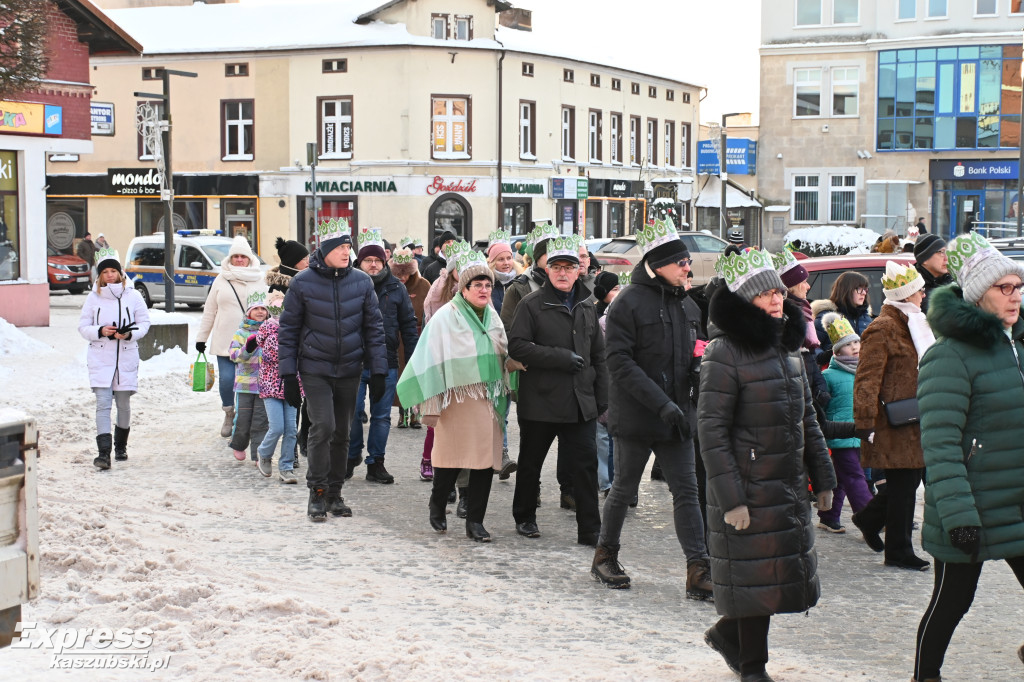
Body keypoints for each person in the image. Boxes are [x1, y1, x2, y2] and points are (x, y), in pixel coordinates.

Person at [698, 248, 836, 682]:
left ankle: (727, 635)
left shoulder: (789, 348)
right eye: (764, 295)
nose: (776, 300)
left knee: (769, 575)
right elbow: (712, 431)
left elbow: (806, 417)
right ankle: (754, 668)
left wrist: (824, 475)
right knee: (755, 577)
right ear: (744, 301)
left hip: (785, 483)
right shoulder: (724, 352)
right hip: (748, 484)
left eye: (778, 291)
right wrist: (731, 499)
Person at [913, 233, 1024, 682]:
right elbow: (939, 444)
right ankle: (925, 676)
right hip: (970, 506)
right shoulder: (948, 356)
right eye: (1005, 288)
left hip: (1015, 499)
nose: (1015, 296)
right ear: (979, 294)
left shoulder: (1012, 347)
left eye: (1019, 287)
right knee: (952, 602)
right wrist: (960, 515)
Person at [593, 219, 713, 596]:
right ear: (659, 263)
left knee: (687, 491)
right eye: (681, 263)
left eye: (687, 263)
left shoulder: (687, 303)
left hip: (678, 414)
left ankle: (699, 569)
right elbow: (620, 362)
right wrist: (661, 404)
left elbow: (695, 350)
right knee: (624, 487)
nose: (687, 268)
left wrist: (698, 372)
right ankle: (604, 556)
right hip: (638, 415)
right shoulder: (628, 301)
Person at [397, 246, 512, 542]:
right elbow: (428, 357)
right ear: (464, 288)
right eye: (478, 285)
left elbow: (501, 350)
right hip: (454, 400)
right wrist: (430, 402)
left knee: (485, 460)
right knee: (451, 459)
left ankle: (476, 521)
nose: (484, 290)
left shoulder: (493, 317)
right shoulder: (446, 317)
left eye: (488, 285)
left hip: (486, 398)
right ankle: (437, 502)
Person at [278, 218, 388, 522]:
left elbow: (374, 329)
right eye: (340, 246)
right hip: (315, 367)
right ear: (325, 249)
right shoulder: (302, 283)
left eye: (347, 246)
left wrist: (378, 370)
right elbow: (288, 330)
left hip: (350, 368)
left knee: (343, 433)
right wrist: (288, 373)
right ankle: (318, 492)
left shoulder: (361, 281)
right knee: (323, 426)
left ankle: (336, 493)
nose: (346, 251)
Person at [508, 233, 608, 546]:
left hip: (580, 402)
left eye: (569, 266)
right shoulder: (532, 304)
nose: (562, 272)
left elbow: (599, 356)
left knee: (585, 466)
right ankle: (524, 516)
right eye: (556, 267)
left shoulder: (588, 304)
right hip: (541, 400)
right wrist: (559, 357)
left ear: (580, 269)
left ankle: (590, 528)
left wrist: (603, 398)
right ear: (547, 270)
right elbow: (518, 346)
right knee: (530, 463)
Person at [851, 262, 934, 570]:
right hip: (893, 421)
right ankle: (898, 551)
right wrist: (865, 421)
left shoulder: (914, 322)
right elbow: (867, 378)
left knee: (909, 481)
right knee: (903, 485)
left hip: (915, 417)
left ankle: (868, 519)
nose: (924, 295)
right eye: (919, 290)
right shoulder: (883, 328)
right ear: (906, 294)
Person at [346, 228, 418, 484]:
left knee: (381, 415)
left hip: (386, 361)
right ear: (360, 262)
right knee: (351, 413)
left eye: (377, 260)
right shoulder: (348, 284)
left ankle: (376, 462)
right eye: (368, 260)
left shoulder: (396, 288)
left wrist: (412, 361)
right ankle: (351, 454)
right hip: (353, 361)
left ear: (384, 261)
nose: (373, 265)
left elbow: (409, 325)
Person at [77, 248, 151, 470]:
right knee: (102, 404)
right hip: (100, 356)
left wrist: (129, 334)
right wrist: (101, 330)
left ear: (120, 273)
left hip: (126, 357)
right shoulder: (93, 298)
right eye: (105, 272)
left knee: (123, 404)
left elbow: (144, 323)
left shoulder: (134, 296)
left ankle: (121, 446)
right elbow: (83, 327)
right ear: (99, 276)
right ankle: (103, 453)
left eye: (113, 271)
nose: (110, 275)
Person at [195, 235, 266, 438]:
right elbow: (210, 310)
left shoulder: (260, 279)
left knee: (249, 384)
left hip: (252, 343)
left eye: (242, 256)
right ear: (230, 258)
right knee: (227, 380)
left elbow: (269, 309)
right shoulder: (221, 278)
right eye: (235, 256)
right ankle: (229, 412)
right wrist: (202, 338)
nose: (239, 260)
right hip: (226, 340)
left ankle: (244, 422)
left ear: (250, 258)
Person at [816, 314, 872, 533]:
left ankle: (828, 516)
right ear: (837, 351)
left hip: (862, 433)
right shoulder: (828, 375)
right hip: (840, 435)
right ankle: (871, 517)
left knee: (840, 477)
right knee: (855, 476)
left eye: (856, 342)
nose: (855, 347)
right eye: (848, 344)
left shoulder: (866, 370)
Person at [265, 237, 310, 459]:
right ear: (293, 262)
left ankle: (302, 438)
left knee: (306, 400)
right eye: (304, 259)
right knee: (292, 399)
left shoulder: (308, 279)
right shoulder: (278, 288)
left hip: (308, 347)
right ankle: (290, 446)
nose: (308, 262)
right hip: (288, 349)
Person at [486, 228, 520, 480]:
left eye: (508, 257)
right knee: (500, 407)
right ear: (492, 261)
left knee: (507, 406)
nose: (506, 262)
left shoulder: (520, 283)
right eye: (500, 259)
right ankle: (502, 453)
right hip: (493, 354)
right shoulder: (488, 284)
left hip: (516, 352)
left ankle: (500, 452)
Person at [255, 291, 299, 484]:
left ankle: (286, 467)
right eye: (276, 307)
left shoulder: (297, 327)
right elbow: (271, 353)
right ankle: (264, 453)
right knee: (277, 427)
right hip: (270, 385)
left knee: (291, 429)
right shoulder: (266, 329)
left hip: (293, 384)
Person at [389, 248, 429, 438]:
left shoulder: (423, 285)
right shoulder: (391, 286)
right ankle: (403, 413)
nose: (402, 277)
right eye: (398, 273)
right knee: (401, 376)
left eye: (406, 273)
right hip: (398, 338)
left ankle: (416, 414)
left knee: (417, 375)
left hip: (418, 336)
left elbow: (429, 310)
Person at [227, 290, 271, 464]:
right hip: (246, 385)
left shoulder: (272, 331)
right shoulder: (240, 333)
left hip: (266, 385)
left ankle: (258, 455)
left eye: (263, 308)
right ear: (249, 312)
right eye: (256, 308)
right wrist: (248, 348)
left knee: (261, 420)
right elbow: (234, 355)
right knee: (243, 418)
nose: (260, 311)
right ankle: (239, 444)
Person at [592, 270, 620, 498]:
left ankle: (611, 480)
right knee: (602, 437)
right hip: (603, 384)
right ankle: (605, 481)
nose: (618, 293)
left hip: (617, 385)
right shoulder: (597, 318)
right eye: (614, 289)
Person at [812, 270, 872, 364]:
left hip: (863, 373)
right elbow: (813, 349)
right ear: (846, 290)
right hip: (835, 372)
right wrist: (828, 355)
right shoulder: (827, 317)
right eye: (859, 289)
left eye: (865, 289)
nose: (864, 293)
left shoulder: (866, 317)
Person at [913, 234, 952, 314]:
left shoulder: (952, 282)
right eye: (941, 252)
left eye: (947, 252)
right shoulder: (914, 291)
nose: (946, 258)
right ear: (925, 259)